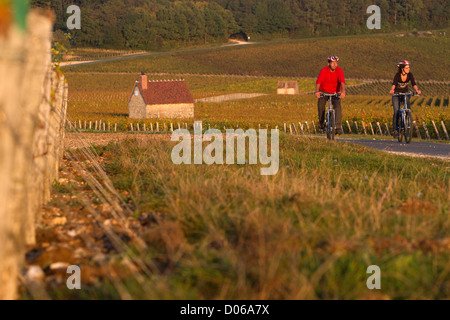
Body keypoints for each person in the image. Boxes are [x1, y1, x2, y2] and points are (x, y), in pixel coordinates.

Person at [315, 55, 346, 135]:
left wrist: (343, 91)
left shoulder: (339, 71)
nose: (334, 65)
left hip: (335, 92)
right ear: (328, 63)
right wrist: (317, 91)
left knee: (338, 106)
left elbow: (342, 82)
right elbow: (319, 82)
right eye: (332, 63)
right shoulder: (324, 70)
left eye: (336, 63)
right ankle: (321, 123)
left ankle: (338, 127)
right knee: (321, 105)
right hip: (324, 91)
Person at [389, 60, 421, 137]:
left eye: (408, 68)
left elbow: (414, 83)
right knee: (396, 111)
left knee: (408, 107)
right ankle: (395, 130)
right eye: (407, 68)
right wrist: (392, 90)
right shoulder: (397, 75)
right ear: (402, 69)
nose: (408, 69)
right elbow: (394, 83)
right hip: (396, 95)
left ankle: (407, 118)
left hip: (405, 94)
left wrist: (417, 90)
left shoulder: (410, 75)